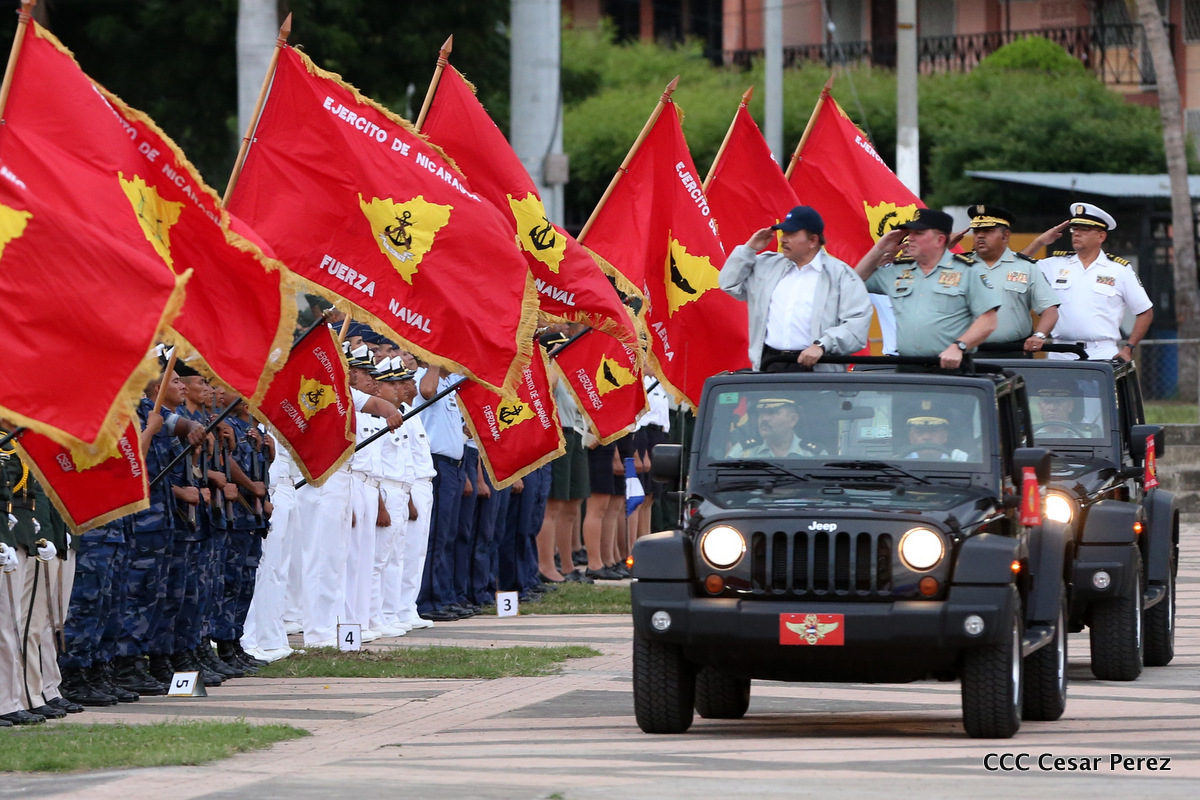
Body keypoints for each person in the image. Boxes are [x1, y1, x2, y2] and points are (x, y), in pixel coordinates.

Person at [720, 205, 872, 371]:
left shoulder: (841, 275)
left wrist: (822, 345)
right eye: (783, 233)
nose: (783, 239)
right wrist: (749, 249)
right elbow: (729, 283)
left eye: (790, 234)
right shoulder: (767, 266)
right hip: (769, 363)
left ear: (813, 240)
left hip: (817, 366)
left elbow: (857, 325)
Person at [856, 208, 1002, 368]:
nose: (910, 238)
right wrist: (880, 249)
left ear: (940, 240)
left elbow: (988, 321)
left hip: (950, 366)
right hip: (907, 366)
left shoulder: (968, 271)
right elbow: (854, 282)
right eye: (910, 233)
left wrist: (959, 346)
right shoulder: (898, 271)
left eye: (918, 233)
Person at [1023, 202, 1153, 361]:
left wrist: (1128, 348)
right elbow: (1016, 269)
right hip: (1060, 351)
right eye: (1074, 229)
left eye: (1084, 229)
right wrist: (1039, 242)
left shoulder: (1119, 270)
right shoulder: (1055, 264)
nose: (1076, 233)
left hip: (1101, 352)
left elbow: (1145, 312)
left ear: (1101, 236)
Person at [958, 205, 1059, 355]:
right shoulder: (960, 266)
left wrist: (1039, 335)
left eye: (987, 231)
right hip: (967, 351)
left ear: (1005, 236)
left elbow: (1050, 309)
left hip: (1014, 351)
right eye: (977, 231)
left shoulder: (1026, 267)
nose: (980, 236)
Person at [729, 398, 823, 458]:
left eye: (772, 412)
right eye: (761, 413)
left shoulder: (813, 454)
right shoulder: (742, 452)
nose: (764, 418)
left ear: (792, 420)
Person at [899, 408, 969, 462]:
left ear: (944, 436)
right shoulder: (898, 461)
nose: (926, 437)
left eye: (933, 431)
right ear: (911, 437)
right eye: (920, 432)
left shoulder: (961, 460)